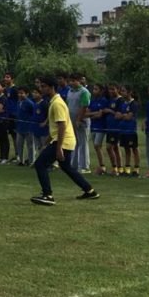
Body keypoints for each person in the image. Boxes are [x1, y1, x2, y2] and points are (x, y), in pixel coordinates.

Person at [30, 76, 98, 205]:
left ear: (51, 88)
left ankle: (47, 195)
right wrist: (47, 143)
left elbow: (62, 126)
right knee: (66, 167)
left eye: (43, 86)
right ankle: (89, 190)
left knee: (40, 164)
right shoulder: (54, 101)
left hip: (63, 141)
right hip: (63, 140)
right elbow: (55, 127)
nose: (41, 89)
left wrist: (59, 148)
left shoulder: (57, 103)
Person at [66, 74, 91, 173]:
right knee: (74, 142)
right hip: (71, 120)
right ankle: (74, 164)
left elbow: (84, 106)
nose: (71, 83)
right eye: (70, 81)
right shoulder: (70, 91)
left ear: (78, 81)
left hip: (81, 120)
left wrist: (79, 119)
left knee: (83, 143)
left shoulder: (84, 92)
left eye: (73, 81)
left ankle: (84, 166)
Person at [85, 83, 109, 175]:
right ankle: (101, 166)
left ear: (101, 91)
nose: (94, 91)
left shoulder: (104, 101)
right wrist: (94, 114)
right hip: (93, 126)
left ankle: (102, 166)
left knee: (97, 145)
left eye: (96, 89)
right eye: (94, 89)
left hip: (101, 126)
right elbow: (86, 114)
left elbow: (100, 115)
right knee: (96, 147)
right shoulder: (93, 101)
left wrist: (94, 115)